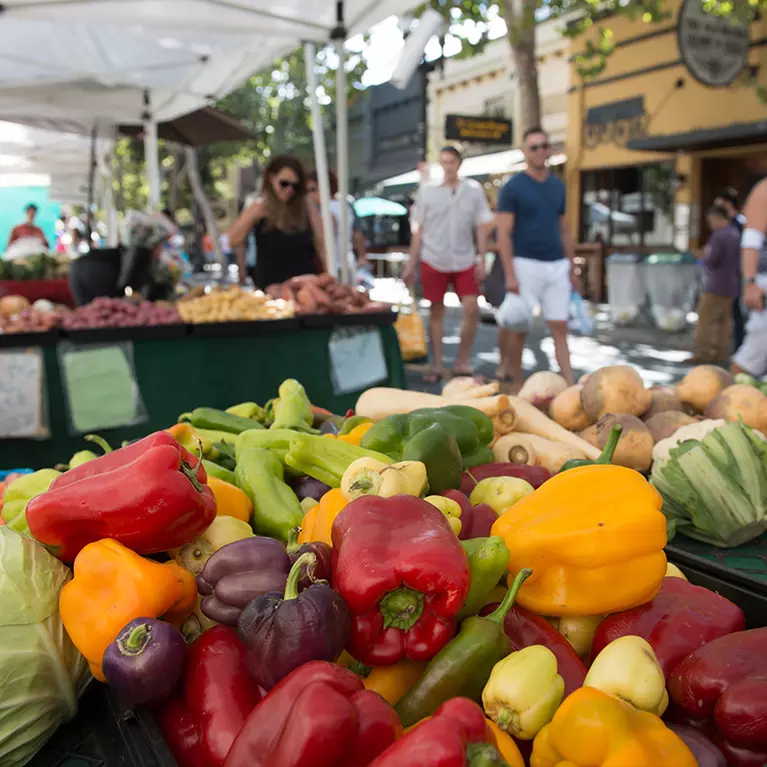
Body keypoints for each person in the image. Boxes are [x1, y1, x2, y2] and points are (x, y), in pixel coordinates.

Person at [495, 127, 579, 388]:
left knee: (559, 326)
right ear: (524, 152)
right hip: (525, 263)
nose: (541, 151)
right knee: (519, 327)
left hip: (556, 264)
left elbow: (564, 228)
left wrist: (572, 267)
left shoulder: (558, 187)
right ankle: (516, 384)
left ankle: (569, 382)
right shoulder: (512, 188)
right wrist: (509, 273)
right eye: (534, 147)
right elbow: (503, 233)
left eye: (545, 146)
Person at [402, 146, 493, 383]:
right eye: (443, 162)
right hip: (434, 257)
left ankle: (462, 361)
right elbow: (418, 230)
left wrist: (482, 259)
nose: (448, 167)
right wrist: (410, 265)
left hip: (464, 258)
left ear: (459, 164)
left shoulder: (473, 190)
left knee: (472, 307)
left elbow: (482, 225)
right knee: (436, 312)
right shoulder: (427, 191)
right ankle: (437, 364)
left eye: (451, 162)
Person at [228, 155, 325, 288]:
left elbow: (321, 243)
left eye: (295, 186)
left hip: (306, 287)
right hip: (271, 288)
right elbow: (233, 239)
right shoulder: (259, 206)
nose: (289, 190)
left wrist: (328, 275)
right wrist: (253, 216)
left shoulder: (307, 207)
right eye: (284, 183)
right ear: (271, 178)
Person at [689, 204, 741, 364]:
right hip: (733, 285)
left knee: (705, 319)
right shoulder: (736, 234)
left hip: (716, 284)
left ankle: (704, 353)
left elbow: (711, 260)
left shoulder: (719, 236)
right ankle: (720, 353)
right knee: (724, 323)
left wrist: (701, 255)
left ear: (717, 218)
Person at [732, 178, 767, 379]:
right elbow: (751, 240)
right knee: (751, 357)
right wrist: (750, 283)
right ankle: (725, 404)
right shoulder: (765, 189)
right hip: (763, 285)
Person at [306, 169, 369, 278]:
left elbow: (324, 239)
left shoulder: (327, 210)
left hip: (333, 267)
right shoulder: (346, 206)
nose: (310, 195)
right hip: (347, 263)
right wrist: (362, 257)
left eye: (312, 189)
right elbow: (357, 235)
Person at [715, 187, 747, 350]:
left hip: (740, 273)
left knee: (739, 311)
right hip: (729, 274)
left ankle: (740, 346)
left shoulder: (740, 223)